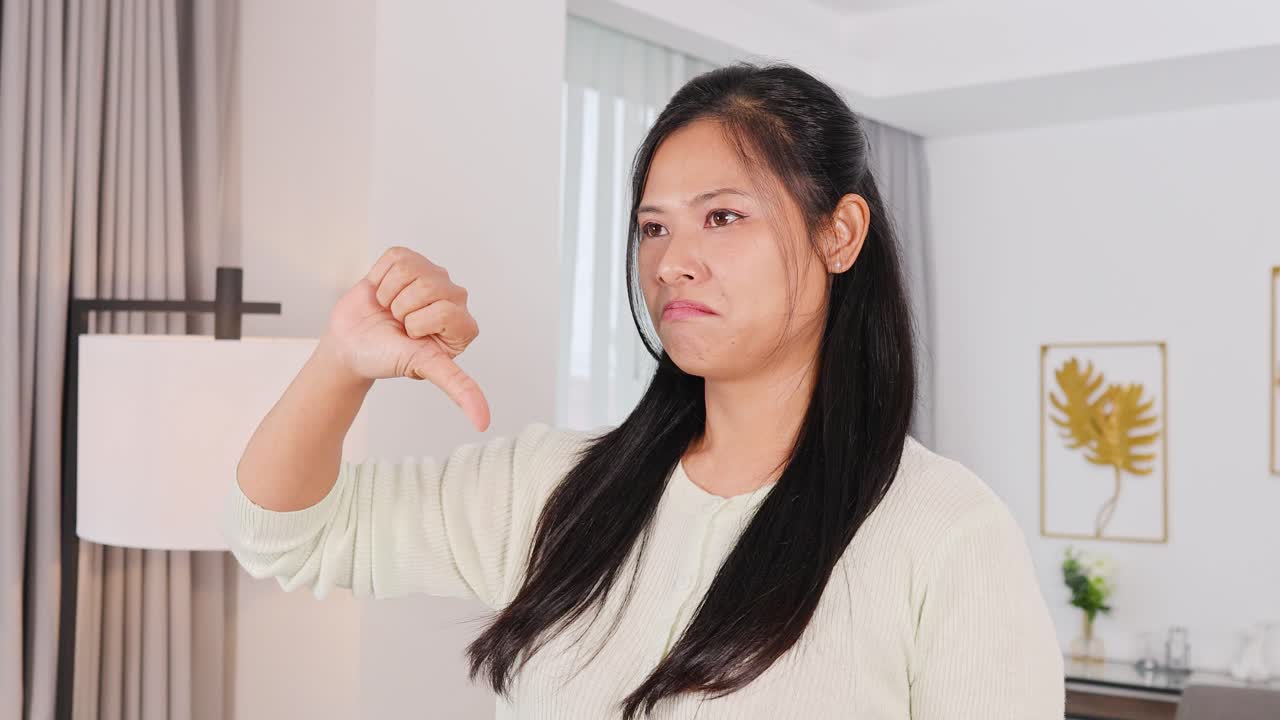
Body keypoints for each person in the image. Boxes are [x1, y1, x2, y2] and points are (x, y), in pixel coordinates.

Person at [223, 62, 1065, 719]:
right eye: (654, 226)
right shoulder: (556, 491)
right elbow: (283, 533)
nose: (672, 261)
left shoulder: (945, 534)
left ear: (838, 233)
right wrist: (342, 359)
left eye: (722, 217)